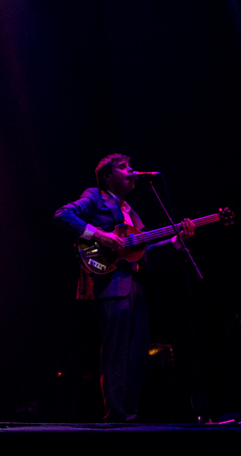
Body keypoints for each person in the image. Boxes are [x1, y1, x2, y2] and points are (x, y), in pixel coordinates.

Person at [53, 153, 195, 422]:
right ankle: (115, 417)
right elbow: (63, 214)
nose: (131, 171)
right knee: (116, 349)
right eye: (123, 167)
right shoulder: (96, 196)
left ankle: (130, 417)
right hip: (109, 282)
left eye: (130, 166)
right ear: (107, 176)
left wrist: (177, 241)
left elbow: (143, 253)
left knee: (137, 352)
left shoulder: (131, 212)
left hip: (135, 284)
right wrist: (101, 235)